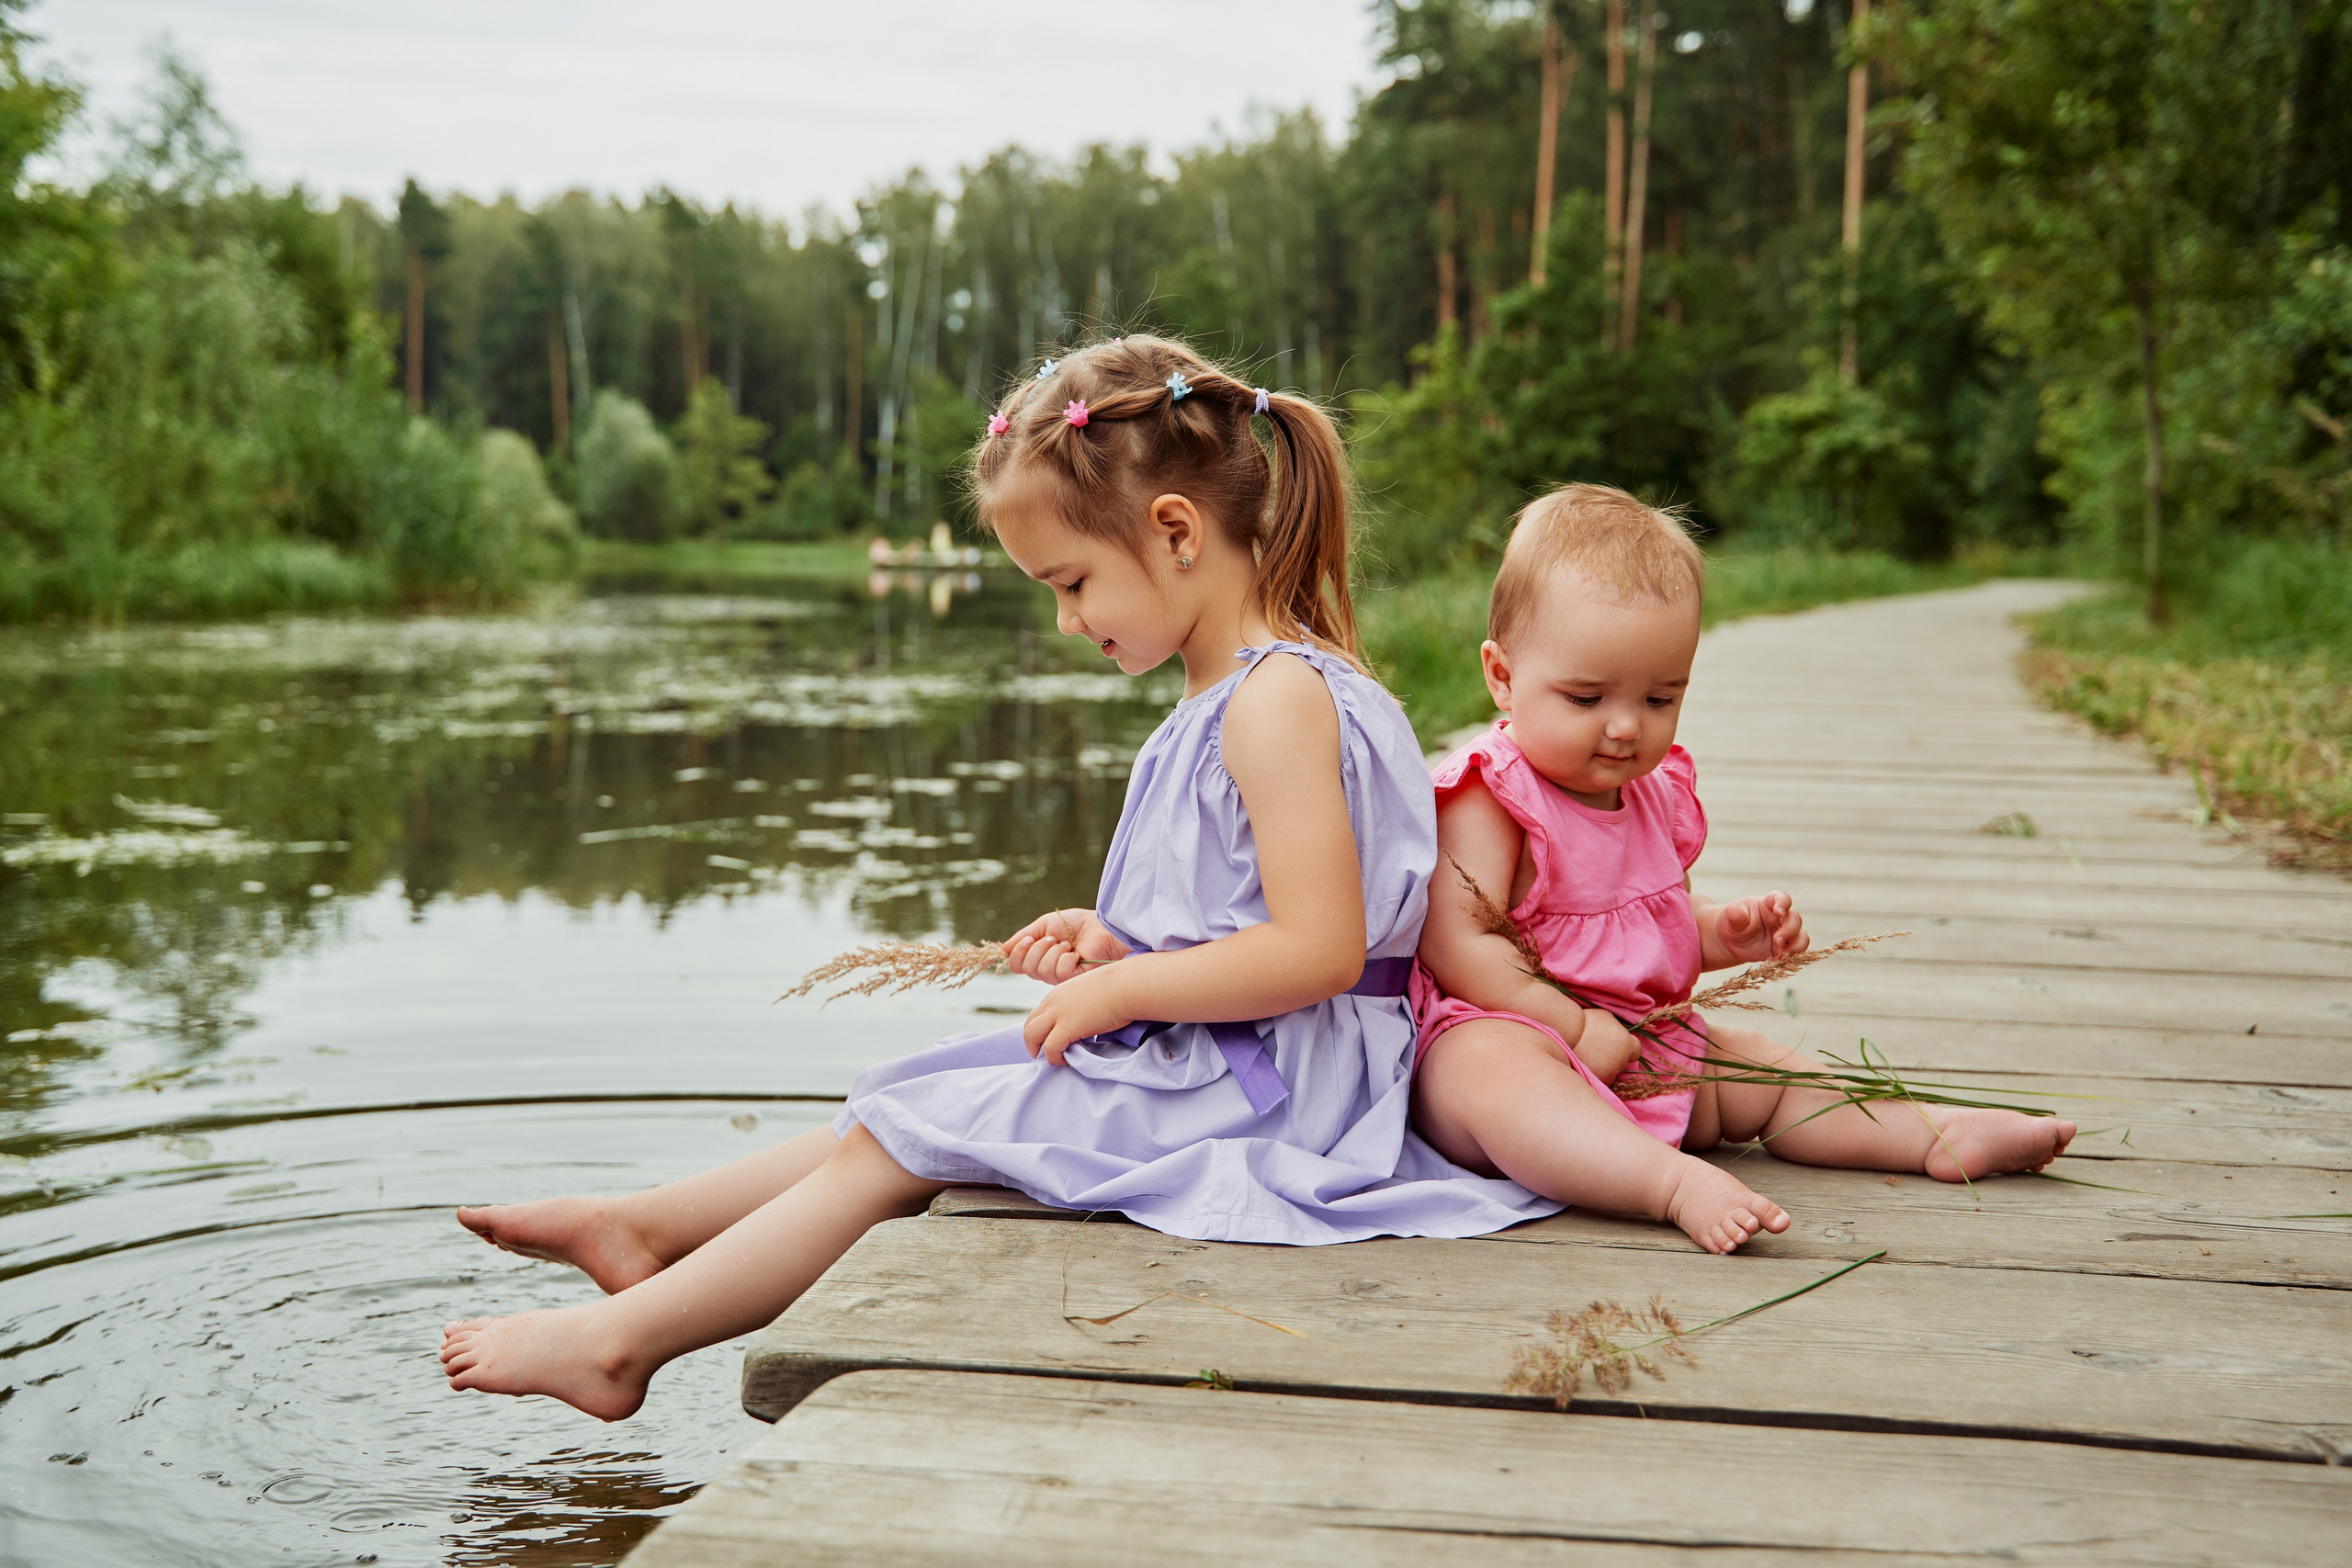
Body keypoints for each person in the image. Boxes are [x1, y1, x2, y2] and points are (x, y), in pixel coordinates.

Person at [439, 336, 1550, 1419]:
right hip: (1249, 1060)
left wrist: (1122, 994)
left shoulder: (1272, 702)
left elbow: (1320, 951)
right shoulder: (1247, 693)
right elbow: (1243, 923)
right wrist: (1117, 945)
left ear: (1174, 532)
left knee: (909, 1142)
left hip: (1282, 1097)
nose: (1066, 621)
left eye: (1070, 583)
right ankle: (648, 1229)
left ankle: (619, 1344)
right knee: (916, 1094)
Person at [1409, 483, 2076, 1256]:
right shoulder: (1492, 792)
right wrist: (1570, 1026)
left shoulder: (1651, 795)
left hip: (1645, 1047)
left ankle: (1929, 1131)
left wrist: (1725, 932)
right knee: (1490, 1071)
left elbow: (1648, 924)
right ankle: (1668, 1183)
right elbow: (1457, 943)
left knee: (1765, 1069)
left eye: (1661, 697)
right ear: (1502, 676)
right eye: (1586, 697)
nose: (1626, 727)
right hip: (1514, 1033)